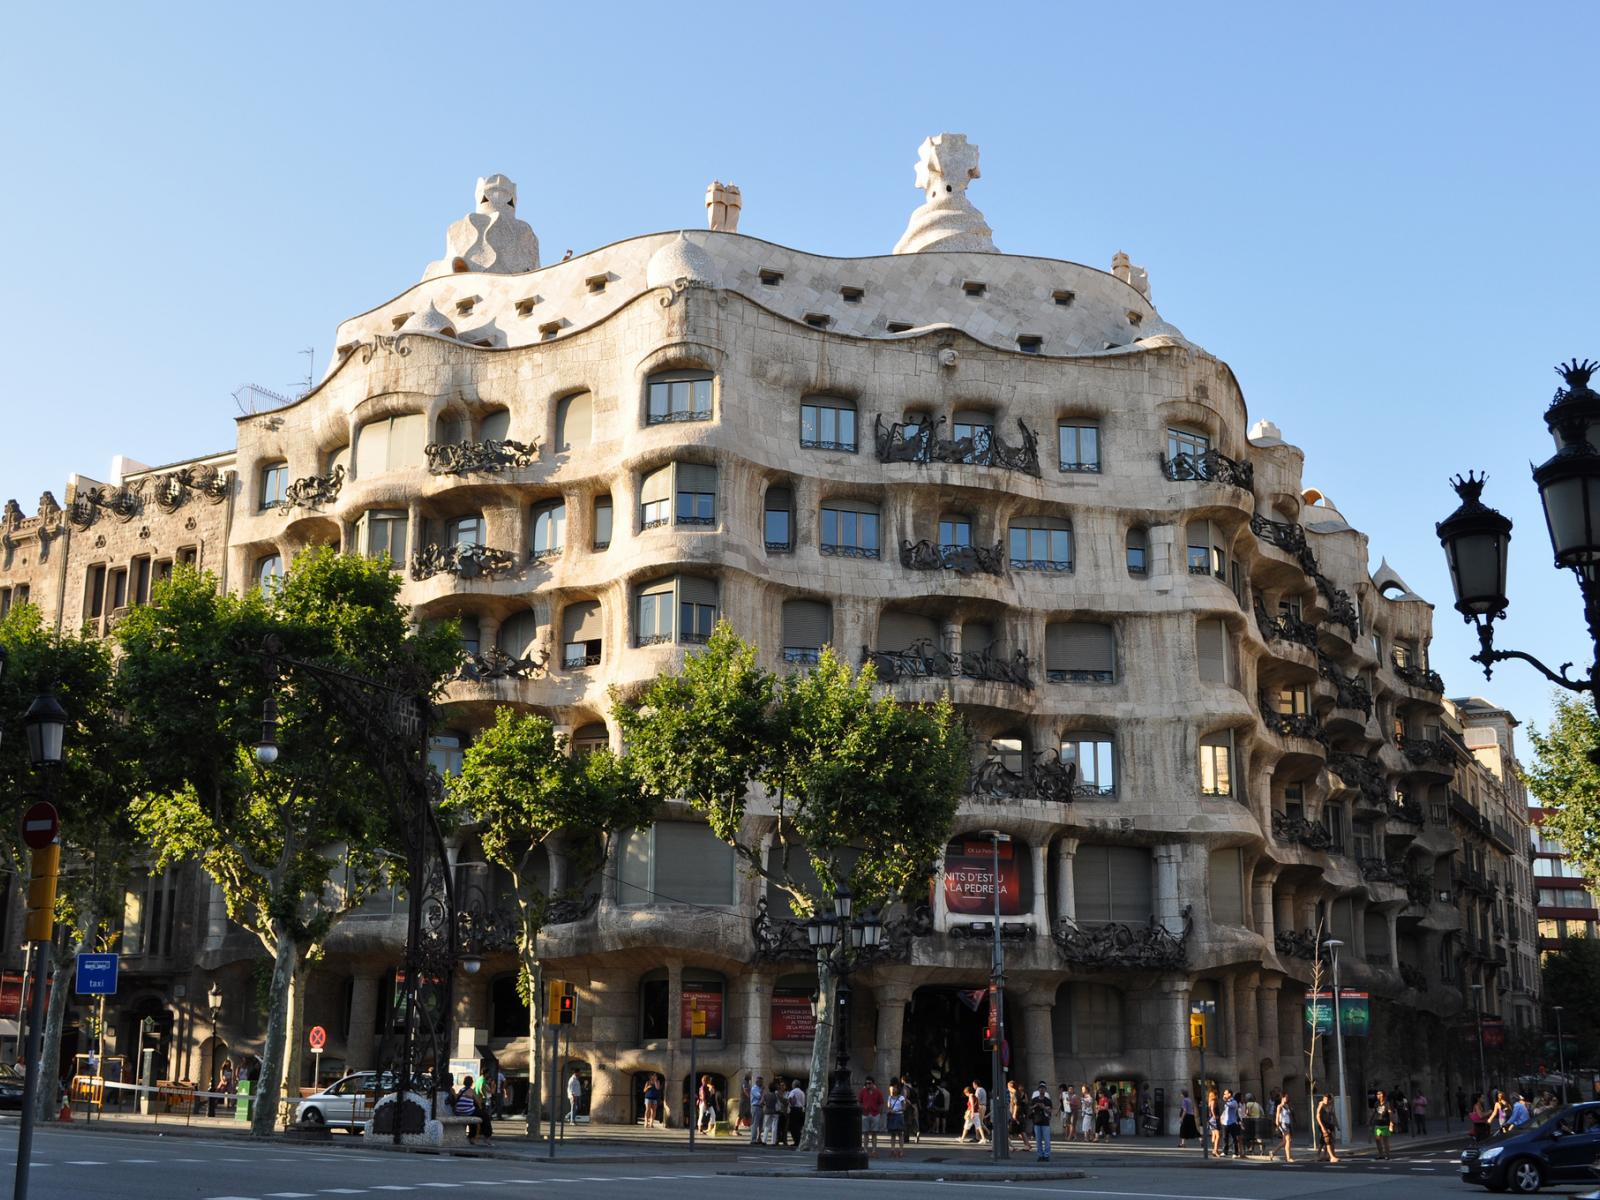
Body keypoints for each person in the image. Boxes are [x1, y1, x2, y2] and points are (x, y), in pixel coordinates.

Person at [454, 1074, 492, 1144]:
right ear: (471, 1083)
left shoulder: (461, 1090)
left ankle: (471, 1138)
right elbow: (478, 1102)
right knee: (485, 1116)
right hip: (467, 1111)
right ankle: (487, 1136)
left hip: (458, 1112)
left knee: (473, 1117)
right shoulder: (471, 1091)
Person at [859, 1075, 885, 1155]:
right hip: (865, 1114)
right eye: (866, 1083)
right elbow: (859, 1101)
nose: (868, 1085)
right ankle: (865, 1149)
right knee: (865, 1133)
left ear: (873, 1083)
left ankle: (874, 1150)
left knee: (874, 1133)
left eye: (869, 1083)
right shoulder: (863, 1091)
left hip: (875, 1114)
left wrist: (879, 1113)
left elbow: (881, 1103)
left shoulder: (878, 1092)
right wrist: (862, 1109)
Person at [1030, 1081, 1054, 1162]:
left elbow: (1050, 1111)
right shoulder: (1034, 1099)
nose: (1041, 1090)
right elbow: (1030, 1108)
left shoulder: (1047, 1100)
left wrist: (1044, 1107)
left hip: (1045, 1122)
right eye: (1040, 1088)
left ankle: (1046, 1155)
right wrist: (1035, 1106)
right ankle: (1040, 1155)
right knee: (1038, 1140)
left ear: (1045, 1090)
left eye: (1043, 1088)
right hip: (1037, 1121)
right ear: (1038, 1090)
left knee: (1047, 1140)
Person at [1008, 1080, 1032, 1152]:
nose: (1008, 1088)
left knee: (1009, 1131)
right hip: (1019, 1114)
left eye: (1008, 1087)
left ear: (1011, 1087)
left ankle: (1011, 1146)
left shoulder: (1015, 1093)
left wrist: (1014, 1114)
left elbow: (1016, 1104)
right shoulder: (1017, 1093)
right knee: (1021, 1131)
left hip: (1017, 1114)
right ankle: (1027, 1144)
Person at [885, 1081, 907, 1159]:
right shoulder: (889, 1097)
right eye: (892, 1087)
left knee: (900, 1134)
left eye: (895, 1087)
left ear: (898, 1089)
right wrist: (890, 1110)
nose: (893, 1089)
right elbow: (889, 1107)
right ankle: (892, 1150)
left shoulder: (901, 1097)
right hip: (892, 1117)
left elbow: (904, 1108)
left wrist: (896, 1110)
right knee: (893, 1134)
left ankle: (901, 1150)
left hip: (899, 1116)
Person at [1315, 1092, 1338, 1163]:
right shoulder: (1321, 1104)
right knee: (1328, 1140)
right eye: (1325, 1099)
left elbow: (1334, 1115)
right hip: (1323, 1125)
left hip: (1329, 1124)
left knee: (1323, 1142)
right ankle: (1331, 1157)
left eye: (1328, 1099)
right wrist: (1322, 1127)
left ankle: (1323, 1155)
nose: (1326, 1101)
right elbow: (1317, 1116)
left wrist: (1337, 1125)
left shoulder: (1330, 1105)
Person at [1372, 1089, 1394, 1160]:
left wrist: (1391, 1124)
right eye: (1377, 1094)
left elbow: (1390, 1113)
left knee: (1385, 1141)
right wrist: (1370, 1120)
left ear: (1382, 1095)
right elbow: (1374, 1113)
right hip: (1377, 1124)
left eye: (1379, 1094)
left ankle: (1387, 1155)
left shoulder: (1387, 1103)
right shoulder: (1376, 1103)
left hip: (1385, 1124)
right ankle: (1380, 1155)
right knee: (1377, 1140)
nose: (1377, 1095)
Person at [1220, 1089, 1241, 1158]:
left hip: (1232, 1122)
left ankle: (1235, 1152)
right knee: (1225, 1138)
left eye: (1225, 1094)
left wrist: (1225, 1101)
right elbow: (1225, 1111)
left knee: (1234, 1138)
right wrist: (1222, 1118)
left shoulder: (1234, 1102)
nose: (1224, 1095)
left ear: (1229, 1094)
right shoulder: (1227, 1102)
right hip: (1225, 1122)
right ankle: (1224, 1151)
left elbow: (1230, 1106)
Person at [1274, 1093, 1294, 1163]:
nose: (1287, 1098)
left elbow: (1289, 1115)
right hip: (1283, 1124)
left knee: (1284, 1142)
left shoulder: (1287, 1106)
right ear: (1282, 1098)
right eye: (1286, 1097)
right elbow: (1277, 1117)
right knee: (1289, 1140)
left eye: (1287, 1097)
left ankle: (1273, 1152)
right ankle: (1288, 1158)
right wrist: (1277, 1127)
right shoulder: (1279, 1106)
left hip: (1288, 1124)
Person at [786, 1079, 806, 1147]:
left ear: (794, 1085)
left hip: (794, 1110)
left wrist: (792, 1104)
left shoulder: (793, 1091)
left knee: (793, 1126)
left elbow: (790, 1098)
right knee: (799, 1126)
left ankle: (796, 1141)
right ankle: (799, 1141)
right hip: (801, 1110)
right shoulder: (802, 1092)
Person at [748, 1075, 765, 1145]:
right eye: (761, 1082)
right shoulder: (754, 1088)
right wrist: (762, 1090)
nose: (762, 1083)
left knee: (760, 1124)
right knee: (755, 1123)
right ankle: (753, 1139)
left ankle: (759, 1138)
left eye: (762, 1082)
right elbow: (759, 1096)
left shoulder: (760, 1089)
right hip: (755, 1107)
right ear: (757, 1082)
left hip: (761, 1107)